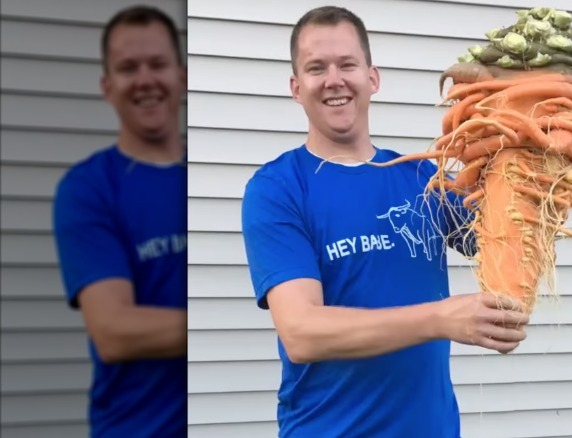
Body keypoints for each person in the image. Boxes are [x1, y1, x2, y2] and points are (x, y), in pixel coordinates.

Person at [241, 6, 529, 437]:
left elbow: (503, 233)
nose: (334, 79)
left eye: (347, 64)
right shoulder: (278, 189)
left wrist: (523, 134)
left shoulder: (420, 176)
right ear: (296, 88)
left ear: (372, 78)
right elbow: (302, 333)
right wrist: (440, 319)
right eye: (316, 68)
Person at [52, 5, 187, 437]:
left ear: (182, 76)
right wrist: (224, 321)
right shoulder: (89, 189)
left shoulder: (215, 180)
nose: (146, 79)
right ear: (107, 86)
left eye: (158, 64)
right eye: (129, 68)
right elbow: (114, 331)